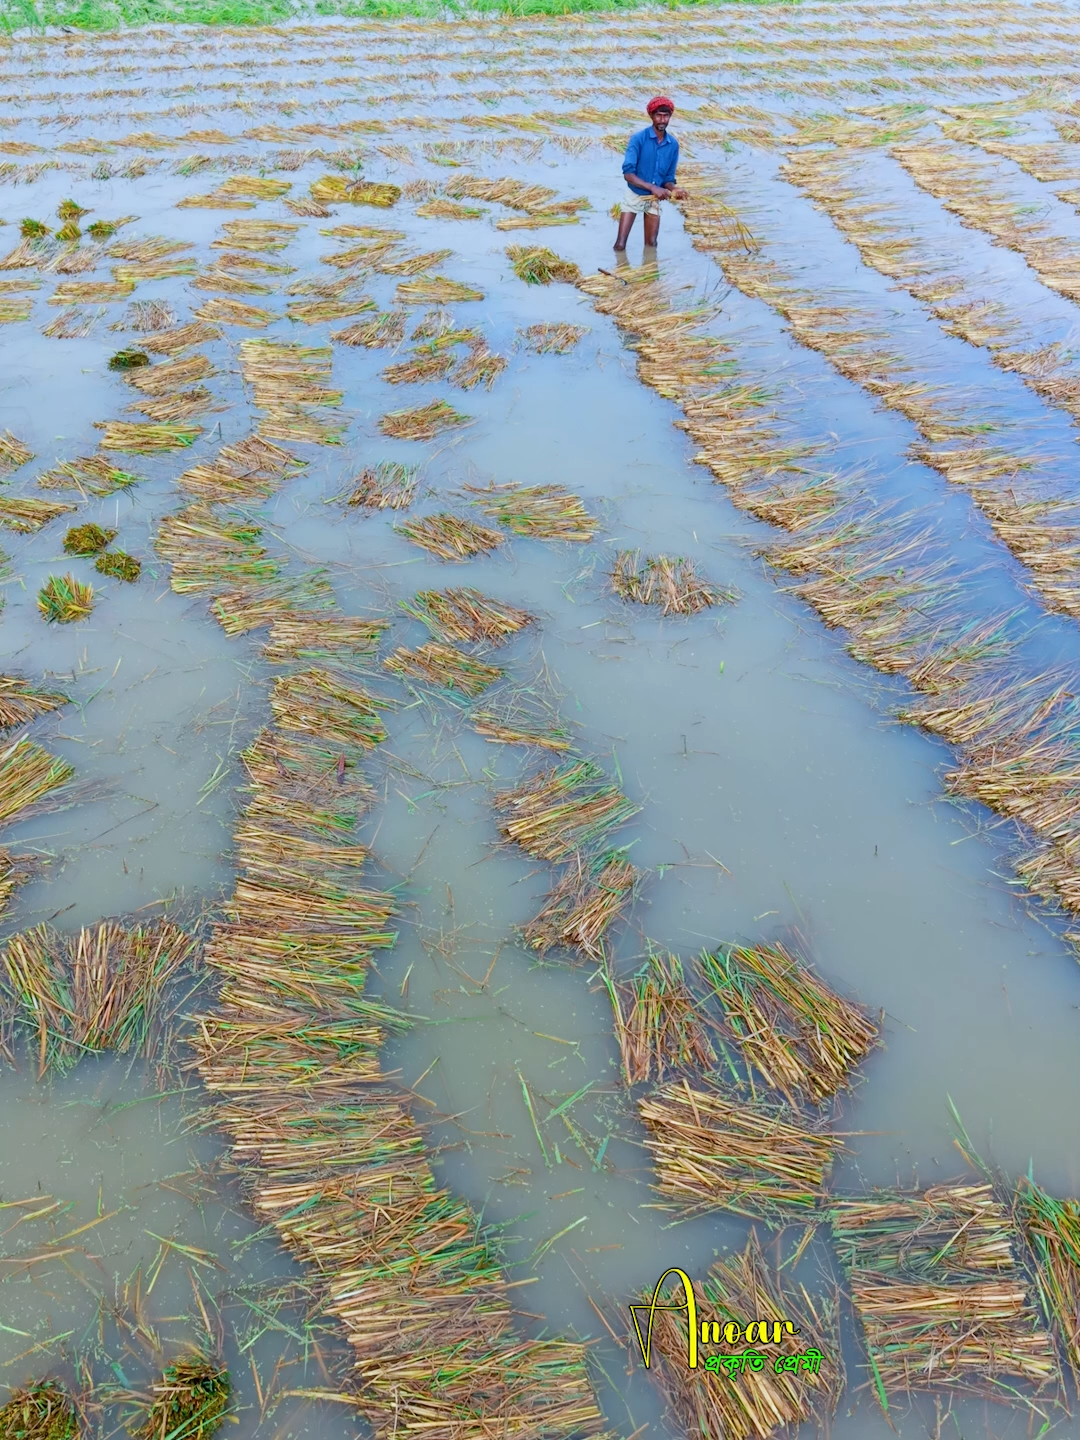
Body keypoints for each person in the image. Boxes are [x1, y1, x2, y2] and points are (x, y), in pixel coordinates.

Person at [615, 97, 687, 251]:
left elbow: (668, 178)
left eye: (666, 116)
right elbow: (628, 174)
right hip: (635, 194)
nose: (662, 120)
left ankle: (650, 266)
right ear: (651, 116)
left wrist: (674, 189)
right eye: (658, 116)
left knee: (651, 244)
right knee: (620, 245)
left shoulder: (672, 145)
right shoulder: (638, 139)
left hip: (654, 198)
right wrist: (653, 188)